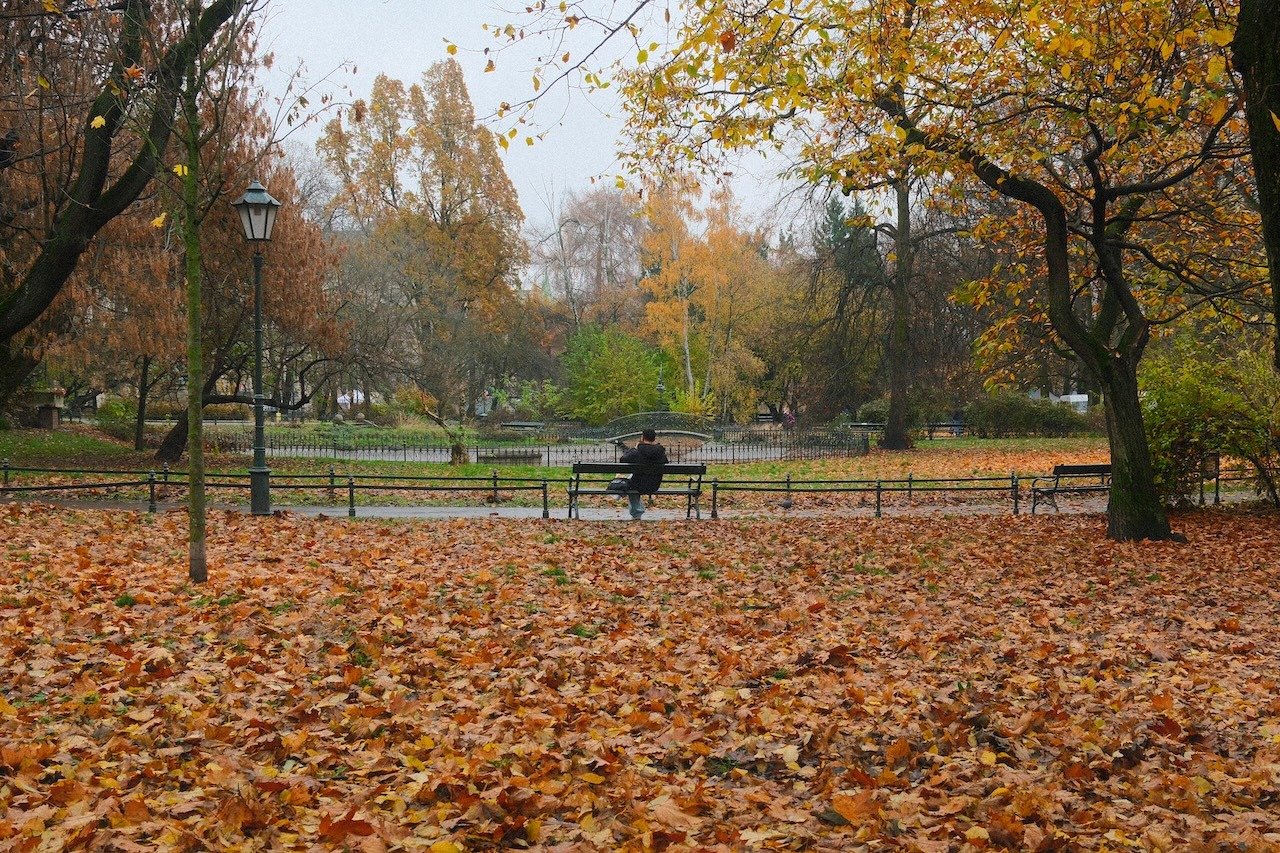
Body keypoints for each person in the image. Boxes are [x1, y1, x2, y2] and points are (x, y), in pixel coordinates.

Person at [619, 428, 669, 519]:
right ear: (654, 439)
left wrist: (634, 448)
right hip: (654, 485)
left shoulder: (637, 452)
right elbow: (666, 463)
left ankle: (637, 513)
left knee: (630, 485)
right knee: (632, 478)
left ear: (642, 437)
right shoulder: (660, 453)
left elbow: (622, 460)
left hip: (637, 485)